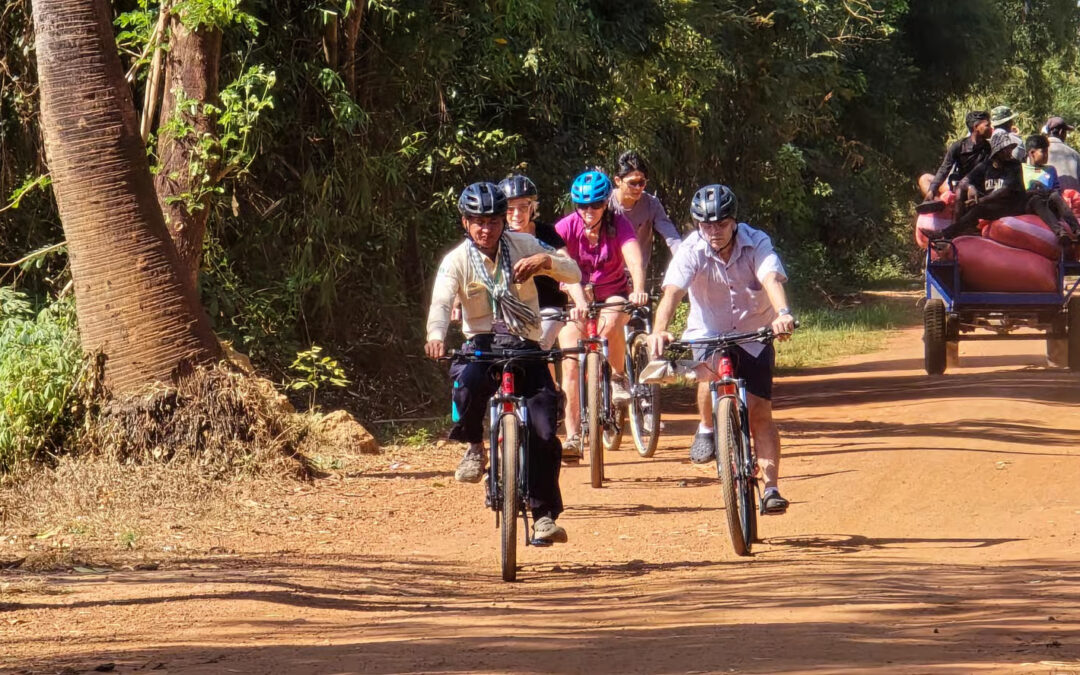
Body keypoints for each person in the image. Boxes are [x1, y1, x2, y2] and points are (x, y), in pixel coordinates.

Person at [425, 182, 582, 543]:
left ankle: (543, 516)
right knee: (465, 385)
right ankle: (475, 448)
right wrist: (435, 335)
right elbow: (440, 300)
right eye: (478, 222)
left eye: (494, 221)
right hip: (481, 343)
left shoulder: (524, 244)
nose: (486, 229)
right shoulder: (457, 261)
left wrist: (547, 263)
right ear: (466, 223)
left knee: (544, 427)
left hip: (525, 341)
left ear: (503, 222)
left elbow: (572, 272)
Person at [647, 184, 796, 514]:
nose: (713, 232)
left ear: (734, 221)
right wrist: (659, 331)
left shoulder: (756, 241)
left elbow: (771, 277)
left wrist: (783, 314)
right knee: (707, 375)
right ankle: (707, 427)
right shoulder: (691, 249)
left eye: (721, 224)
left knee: (759, 412)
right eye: (706, 225)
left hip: (754, 331)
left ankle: (771, 487)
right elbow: (672, 292)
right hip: (708, 331)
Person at [555, 170, 648, 461]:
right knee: (570, 360)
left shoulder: (618, 224)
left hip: (613, 293)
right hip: (575, 298)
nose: (589, 211)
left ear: (606, 203)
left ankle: (618, 378)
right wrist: (578, 296)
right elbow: (562, 263)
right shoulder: (566, 227)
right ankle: (572, 436)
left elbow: (633, 256)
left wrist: (640, 288)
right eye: (582, 206)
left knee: (611, 324)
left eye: (595, 205)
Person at [498, 174, 589, 349]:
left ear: (532, 208)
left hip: (547, 308)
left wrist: (580, 302)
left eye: (523, 207)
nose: (517, 214)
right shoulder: (498, 236)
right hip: (511, 310)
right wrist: (457, 304)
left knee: (536, 347)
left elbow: (567, 268)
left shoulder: (547, 234)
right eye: (510, 209)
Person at [924, 131, 1026, 240]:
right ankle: (958, 226)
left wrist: (980, 201)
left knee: (979, 208)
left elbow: (1004, 191)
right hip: (992, 204)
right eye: (1007, 149)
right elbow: (965, 181)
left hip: (1011, 205)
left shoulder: (1014, 166)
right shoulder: (986, 165)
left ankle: (946, 233)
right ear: (998, 151)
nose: (1010, 152)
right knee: (961, 190)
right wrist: (970, 187)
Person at [609, 151, 682, 274]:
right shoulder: (605, 204)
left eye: (641, 182)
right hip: (609, 275)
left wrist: (684, 261)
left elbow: (672, 237)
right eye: (632, 183)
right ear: (618, 180)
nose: (638, 188)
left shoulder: (651, 204)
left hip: (637, 274)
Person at [918, 110, 992, 209]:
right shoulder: (958, 146)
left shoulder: (989, 148)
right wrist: (932, 190)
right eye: (987, 125)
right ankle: (936, 201)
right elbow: (945, 168)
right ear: (976, 127)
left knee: (964, 194)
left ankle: (958, 221)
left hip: (977, 188)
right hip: (959, 185)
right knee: (925, 178)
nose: (991, 128)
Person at [1023, 135, 1080, 243]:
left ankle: (1076, 229)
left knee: (1055, 195)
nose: (1046, 155)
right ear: (1032, 153)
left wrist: (1048, 191)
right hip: (1031, 204)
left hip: (1049, 203)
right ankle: (1060, 232)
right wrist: (1034, 190)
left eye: (1047, 152)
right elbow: (1020, 192)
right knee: (1036, 199)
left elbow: (1056, 189)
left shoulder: (1051, 170)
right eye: (1043, 152)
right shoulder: (1022, 169)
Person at [1045, 116, 1080, 192]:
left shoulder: (1038, 153)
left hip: (1046, 200)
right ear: (1061, 132)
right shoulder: (1074, 154)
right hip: (1072, 200)